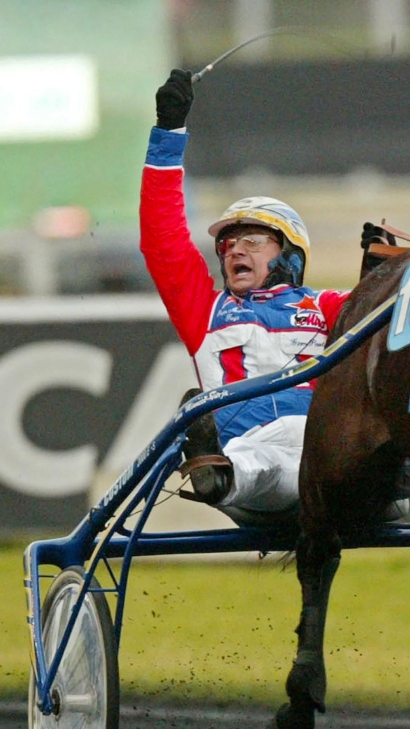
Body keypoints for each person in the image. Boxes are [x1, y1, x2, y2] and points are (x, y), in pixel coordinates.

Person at [140, 69, 351, 515]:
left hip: (328, 443)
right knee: (270, 458)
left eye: (252, 241)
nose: (234, 249)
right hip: (252, 458)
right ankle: (219, 476)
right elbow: (163, 239)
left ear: (289, 254)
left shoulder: (328, 305)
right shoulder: (205, 311)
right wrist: (168, 132)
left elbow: (396, 311)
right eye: (228, 243)